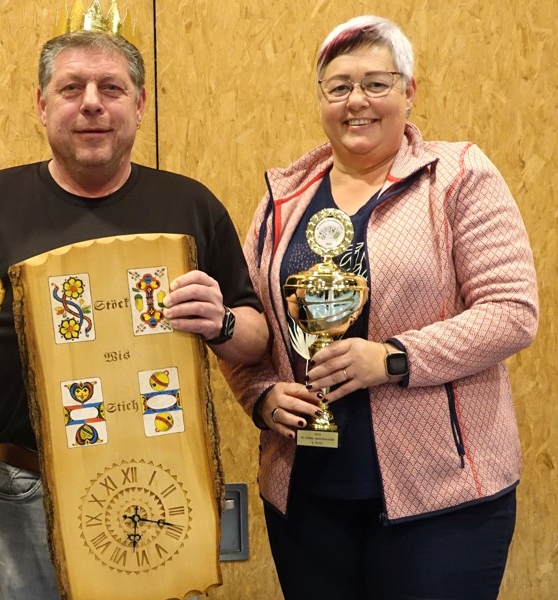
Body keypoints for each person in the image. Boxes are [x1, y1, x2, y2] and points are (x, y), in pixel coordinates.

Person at [0, 25, 269, 600]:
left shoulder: (190, 204)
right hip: (31, 483)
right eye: (72, 88)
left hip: (165, 480)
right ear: (42, 104)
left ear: (140, 105)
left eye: (112, 88)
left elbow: (255, 336)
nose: (92, 103)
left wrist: (221, 321)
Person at [222, 15, 539, 600]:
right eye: (338, 87)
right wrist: (260, 394)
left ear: (409, 92)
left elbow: (512, 310)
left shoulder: (458, 176)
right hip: (306, 493)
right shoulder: (283, 199)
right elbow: (250, 323)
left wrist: (392, 359)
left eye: (376, 83)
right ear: (321, 99)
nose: (355, 102)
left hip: (443, 499)